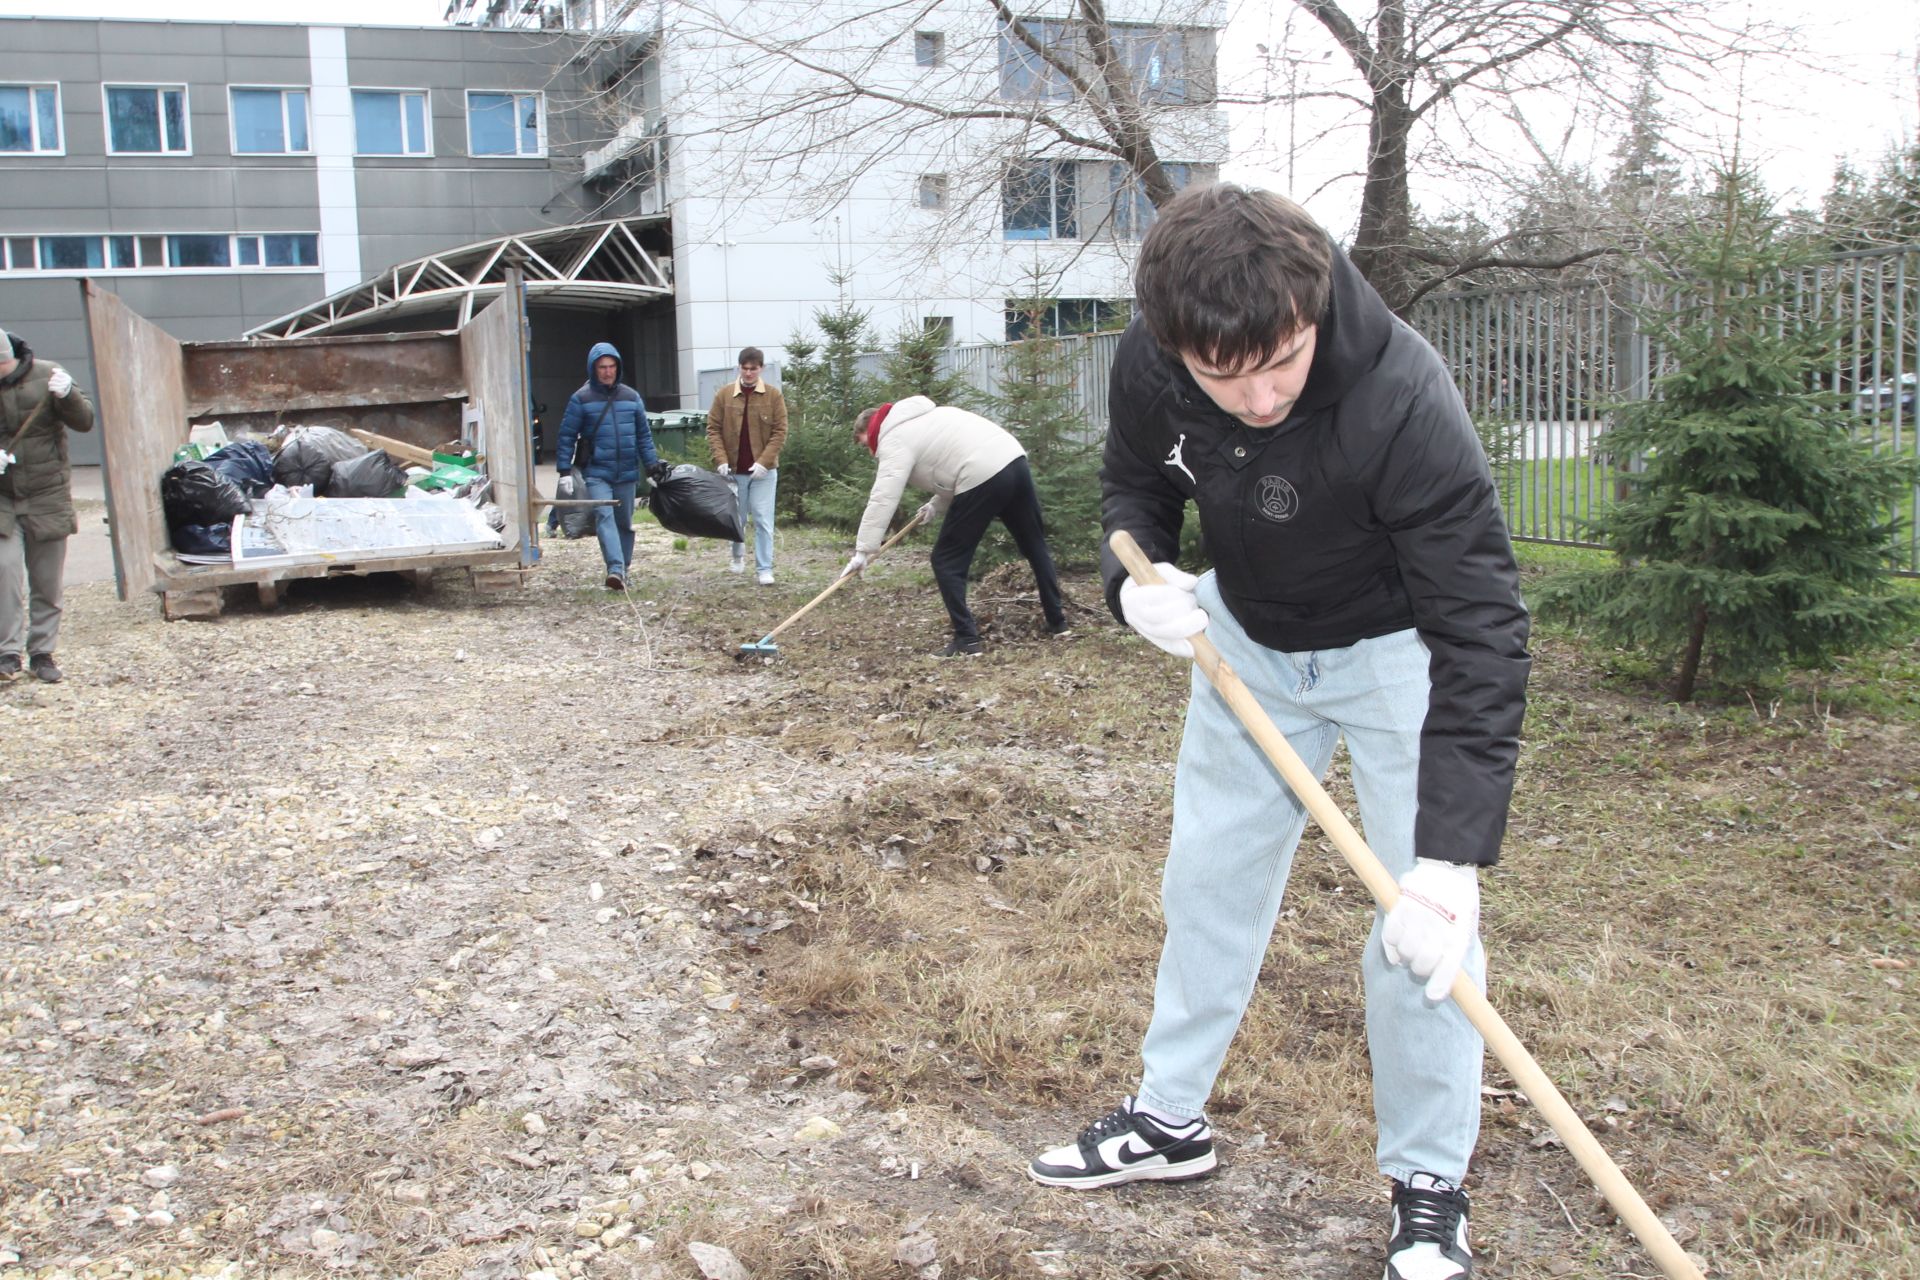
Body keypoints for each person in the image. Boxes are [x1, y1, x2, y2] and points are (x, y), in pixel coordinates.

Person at [1026, 185, 1530, 1280]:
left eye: (1282, 364)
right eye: (1224, 375)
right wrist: (1131, 582)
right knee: (1207, 879)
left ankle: (1428, 1182)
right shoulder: (1154, 359)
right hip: (1248, 643)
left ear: (1312, 309)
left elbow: (1481, 624)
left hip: (1399, 654)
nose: (1257, 398)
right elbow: (1131, 488)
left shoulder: (1402, 395)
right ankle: (1170, 1120)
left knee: (1424, 937)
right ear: (1173, 344)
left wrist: (1450, 857)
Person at [844, 396, 1069, 657]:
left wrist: (863, 550)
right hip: (1013, 460)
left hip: (983, 473)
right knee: (1034, 543)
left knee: (946, 560)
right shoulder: (926, 417)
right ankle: (1058, 622)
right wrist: (934, 506)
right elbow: (954, 460)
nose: (869, 450)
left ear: (868, 430)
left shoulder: (893, 437)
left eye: (863, 443)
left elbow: (884, 495)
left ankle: (967, 640)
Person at [0, 327, 95, 685]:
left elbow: (84, 422)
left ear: (11, 359)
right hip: (3, 499)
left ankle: (42, 653)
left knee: (47, 582)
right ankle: (7, 654)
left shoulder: (49, 374)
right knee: (4, 574)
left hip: (46, 495)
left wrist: (69, 395)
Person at [554, 342, 659, 592]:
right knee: (604, 515)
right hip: (597, 471)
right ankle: (615, 568)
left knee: (624, 522)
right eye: (602, 367)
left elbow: (643, 435)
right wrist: (564, 471)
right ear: (593, 368)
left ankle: (624, 569)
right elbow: (566, 435)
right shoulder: (581, 399)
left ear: (618, 367)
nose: (607, 371)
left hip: (626, 472)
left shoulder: (631, 397)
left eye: (611, 366)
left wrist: (652, 467)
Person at [705, 346, 787, 584]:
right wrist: (720, 460)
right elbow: (713, 429)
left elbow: (780, 432)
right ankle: (737, 555)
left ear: (761, 369)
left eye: (754, 368)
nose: (749, 373)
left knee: (762, 518)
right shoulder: (724, 395)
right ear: (739, 368)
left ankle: (764, 568)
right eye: (745, 368)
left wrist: (764, 462)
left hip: (764, 472)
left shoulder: (773, 396)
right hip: (734, 471)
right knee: (737, 519)